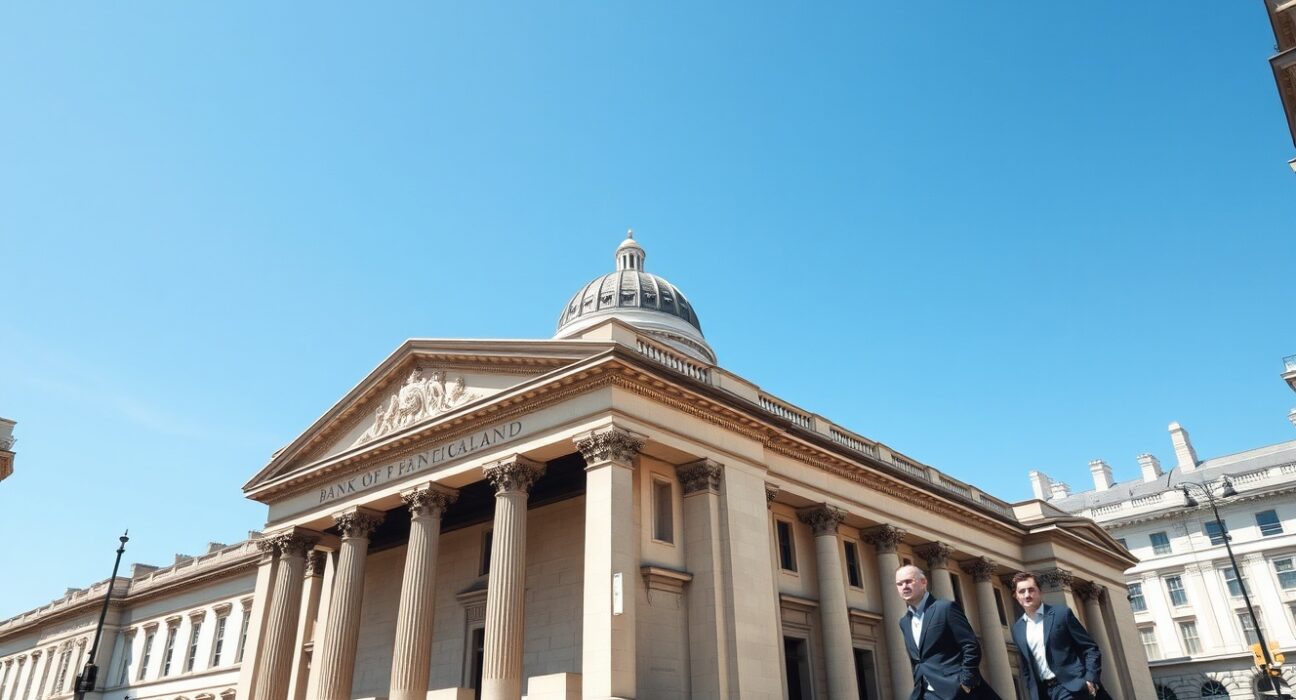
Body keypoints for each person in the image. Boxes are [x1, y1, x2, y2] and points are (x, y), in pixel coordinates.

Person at [895, 564, 1001, 699]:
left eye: (909, 581)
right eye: (900, 584)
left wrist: (966, 682)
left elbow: (971, 645)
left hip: (956, 690)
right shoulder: (904, 622)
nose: (904, 586)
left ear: (923, 582)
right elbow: (918, 660)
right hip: (925, 693)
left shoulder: (945, 608)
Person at [1010, 572, 1112, 700]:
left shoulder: (1061, 614)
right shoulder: (1017, 629)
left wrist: (1090, 679)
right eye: (1022, 591)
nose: (1027, 595)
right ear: (1016, 596)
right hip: (1045, 693)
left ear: (1040, 591)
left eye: (1031, 590)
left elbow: (1090, 649)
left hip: (1071, 687)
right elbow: (1027, 668)